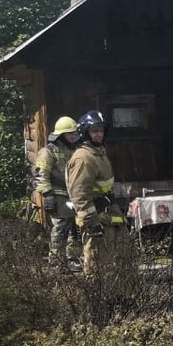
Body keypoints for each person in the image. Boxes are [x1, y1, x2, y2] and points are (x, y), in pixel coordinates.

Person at [66, 109, 125, 273]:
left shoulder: (100, 154)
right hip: (96, 219)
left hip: (110, 215)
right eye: (94, 131)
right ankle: (95, 296)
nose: (99, 134)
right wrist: (91, 223)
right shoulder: (83, 158)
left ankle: (120, 296)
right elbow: (79, 195)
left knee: (121, 260)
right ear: (85, 133)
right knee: (96, 263)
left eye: (101, 131)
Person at [34, 116, 80, 264]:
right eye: (69, 133)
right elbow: (41, 174)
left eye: (74, 133)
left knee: (75, 227)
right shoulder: (48, 151)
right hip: (57, 194)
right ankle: (57, 260)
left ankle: (72, 258)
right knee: (61, 226)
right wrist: (47, 195)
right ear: (61, 134)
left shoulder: (74, 150)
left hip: (73, 195)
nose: (73, 136)